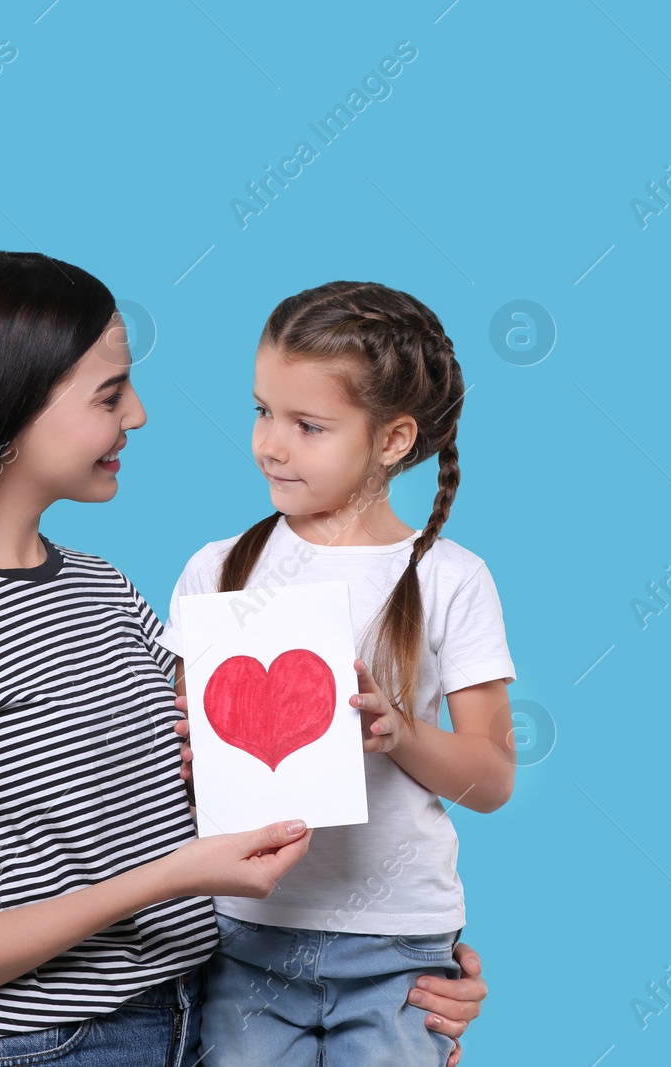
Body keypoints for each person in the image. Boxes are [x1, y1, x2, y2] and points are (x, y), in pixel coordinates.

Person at [0, 252, 489, 1067]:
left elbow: (220, 783)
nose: (139, 414)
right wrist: (168, 879)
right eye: (109, 393)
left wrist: (398, 972)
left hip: (194, 1022)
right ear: (9, 404)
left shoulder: (106, 591)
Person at [157, 281, 516, 1066]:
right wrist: (185, 759)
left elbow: (491, 777)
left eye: (308, 425)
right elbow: (174, 769)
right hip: (246, 931)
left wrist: (401, 732)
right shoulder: (217, 570)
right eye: (261, 411)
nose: (271, 444)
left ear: (392, 440)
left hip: (397, 944)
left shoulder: (454, 578)